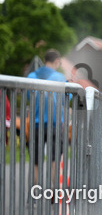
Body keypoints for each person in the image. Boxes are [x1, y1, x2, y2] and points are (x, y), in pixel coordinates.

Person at [26, 49, 68, 178]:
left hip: (36, 123)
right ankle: (54, 194)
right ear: (56, 61)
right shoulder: (60, 77)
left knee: (36, 162)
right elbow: (67, 98)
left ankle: (34, 194)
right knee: (55, 160)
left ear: (45, 60)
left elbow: (28, 97)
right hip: (54, 123)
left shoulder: (31, 76)